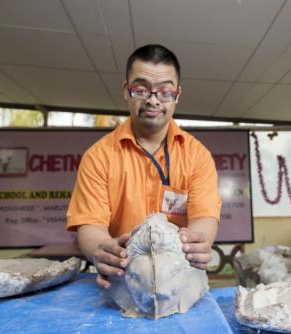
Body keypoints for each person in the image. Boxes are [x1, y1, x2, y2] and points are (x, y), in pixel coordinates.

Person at [67, 44, 221, 288]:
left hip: (178, 278)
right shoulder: (98, 157)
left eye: (165, 92)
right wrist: (104, 250)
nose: (152, 101)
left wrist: (197, 242)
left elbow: (204, 217)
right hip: (124, 275)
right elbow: (90, 226)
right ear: (126, 91)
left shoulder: (197, 156)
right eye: (141, 90)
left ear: (177, 95)